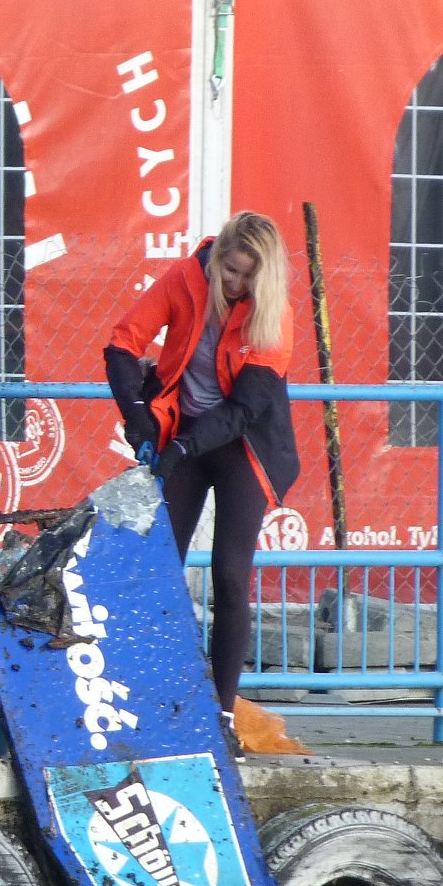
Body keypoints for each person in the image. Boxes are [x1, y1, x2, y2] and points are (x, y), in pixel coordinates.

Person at [103, 210, 299, 760]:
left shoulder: (274, 313)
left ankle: (221, 715)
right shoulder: (185, 277)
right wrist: (137, 417)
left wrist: (183, 449)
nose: (234, 284)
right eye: (228, 271)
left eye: (247, 277)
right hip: (183, 428)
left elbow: (243, 410)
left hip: (243, 444)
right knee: (158, 569)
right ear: (216, 260)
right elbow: (122, 343)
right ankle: (150, 700)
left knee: (230, 576)